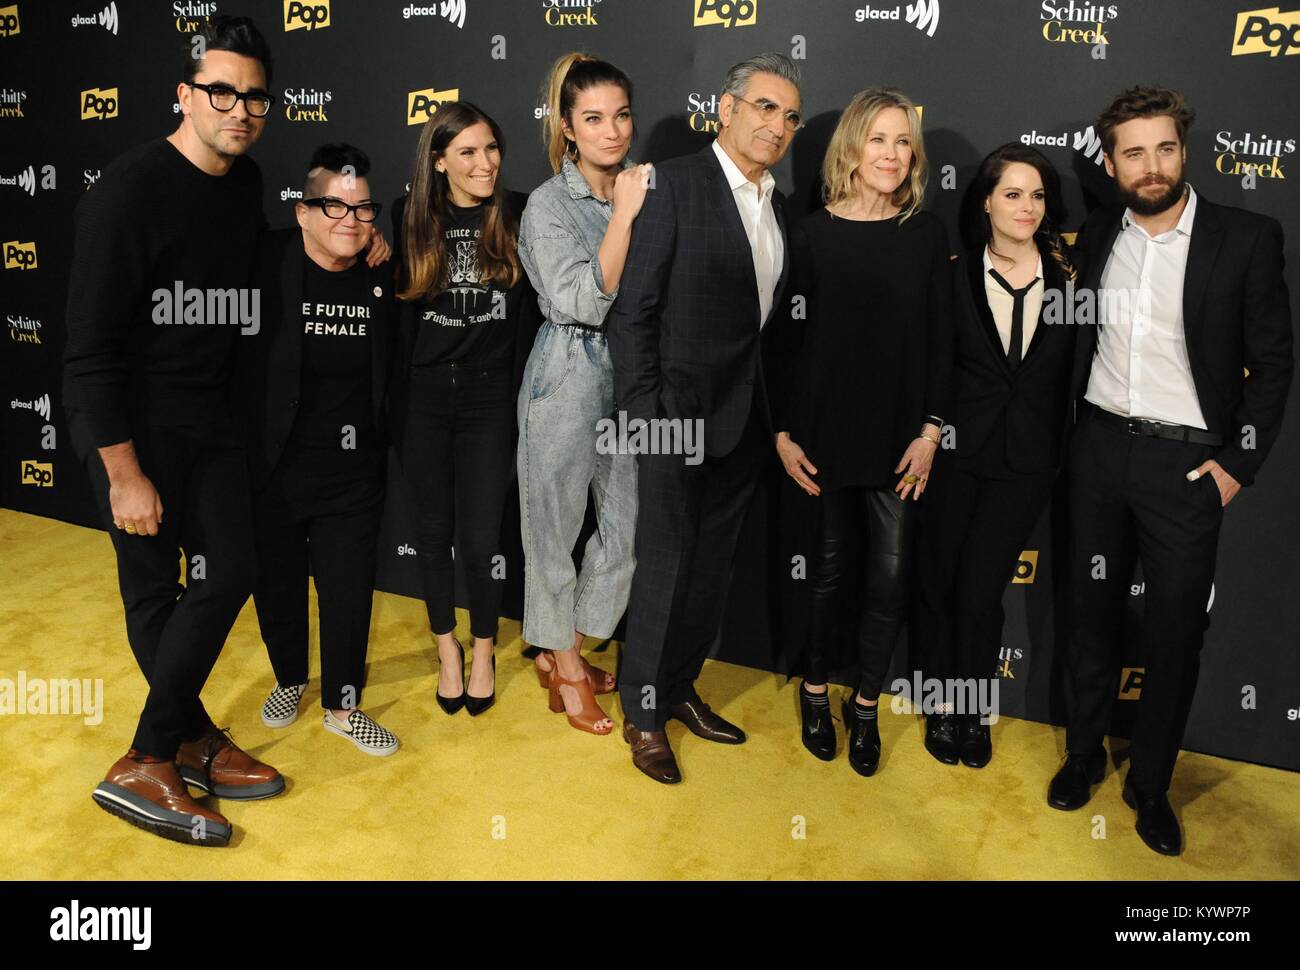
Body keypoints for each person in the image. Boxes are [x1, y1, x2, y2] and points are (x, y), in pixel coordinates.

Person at [1049, 86, 1292, 856]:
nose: (1151, 166)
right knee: (1087, 618)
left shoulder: (1246, 237)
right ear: (1111, 162)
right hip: (1095, 453)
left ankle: (1149, 783)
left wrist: (1235, 467)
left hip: (1189, 466)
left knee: (1175, 634)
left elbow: (1276, 364)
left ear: (1183, 152)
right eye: (1133, 152)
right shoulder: (1090, 239)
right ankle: (1083, 754)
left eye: (1164, 149)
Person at [64, 16, 283, 847]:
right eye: (222, 91)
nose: (240, 108)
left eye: (255, 96)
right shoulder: (125, 191)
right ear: (185, 94)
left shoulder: (246, 182)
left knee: (230, 571)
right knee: (154, 589)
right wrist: (123, 472)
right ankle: (148, 760)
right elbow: (88, 351)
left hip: (211, 421)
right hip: (133, 428)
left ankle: (183, 735)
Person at [608, 52, 800, 784]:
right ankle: (644, 712)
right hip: (673, 415)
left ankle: (680, 686)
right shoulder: (674, 184)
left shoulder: (778, 204)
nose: (775, 125)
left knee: (709, 572)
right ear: (725, 109)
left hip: (743, 421)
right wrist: (644, 412)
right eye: (762, 107)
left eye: (788, 115)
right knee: (663, 565)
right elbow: (634, 312)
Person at [775, 87, 952, 778]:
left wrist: (932, 431)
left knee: (889, 578)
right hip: (821, 437)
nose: (891, 153)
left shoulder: (927, 234)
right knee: (825, 577)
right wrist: (783, 432)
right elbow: (786, 345)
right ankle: (817, 695)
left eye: (902, 140)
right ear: (851, 148)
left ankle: (867, 705)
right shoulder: (810, 233)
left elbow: (943, 343)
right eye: (878, 139)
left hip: (900, 442)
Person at [913, 143, 1077, 769]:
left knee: (980, 591)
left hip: (1026, 464)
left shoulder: (1069, 284)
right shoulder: (954, 275)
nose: (1027, 207)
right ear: (986, 201)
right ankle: (939, 704)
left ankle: (971, 711)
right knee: (939, 586)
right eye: (1012, 193)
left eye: (1037, 196)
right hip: (953, 454)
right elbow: (933, 367)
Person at [240, 143, 399, 756]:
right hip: (274, 464)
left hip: (353, 473)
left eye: (362, 209)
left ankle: (342, 704)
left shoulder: (381, 271)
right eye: (333, 206)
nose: (349, 220)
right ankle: (288, 678)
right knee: (276, 584)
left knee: (348, 590)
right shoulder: (265, 260)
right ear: (302, 212)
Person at [516, 54, 651, 735]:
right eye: (593, 119)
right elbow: (582, 301)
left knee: (624, 531)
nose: (611, 131)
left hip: (629, 380)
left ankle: (564, 641)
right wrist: (625, 215)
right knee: (553, 532)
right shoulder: (548, 204)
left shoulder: (644, 188)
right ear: (567, 128)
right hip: (568, 374)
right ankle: (566, 668)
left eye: (621, 115)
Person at [392, 101, 540, 718]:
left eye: (491, 149)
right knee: (431, 536)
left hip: (488, 397)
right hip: (423, 396)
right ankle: (446, 649)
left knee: (480, 540)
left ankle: (483, 650)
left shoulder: (520, 211)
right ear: (439, 159)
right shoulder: (406, 217)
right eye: (468, 152)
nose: (485, 163)